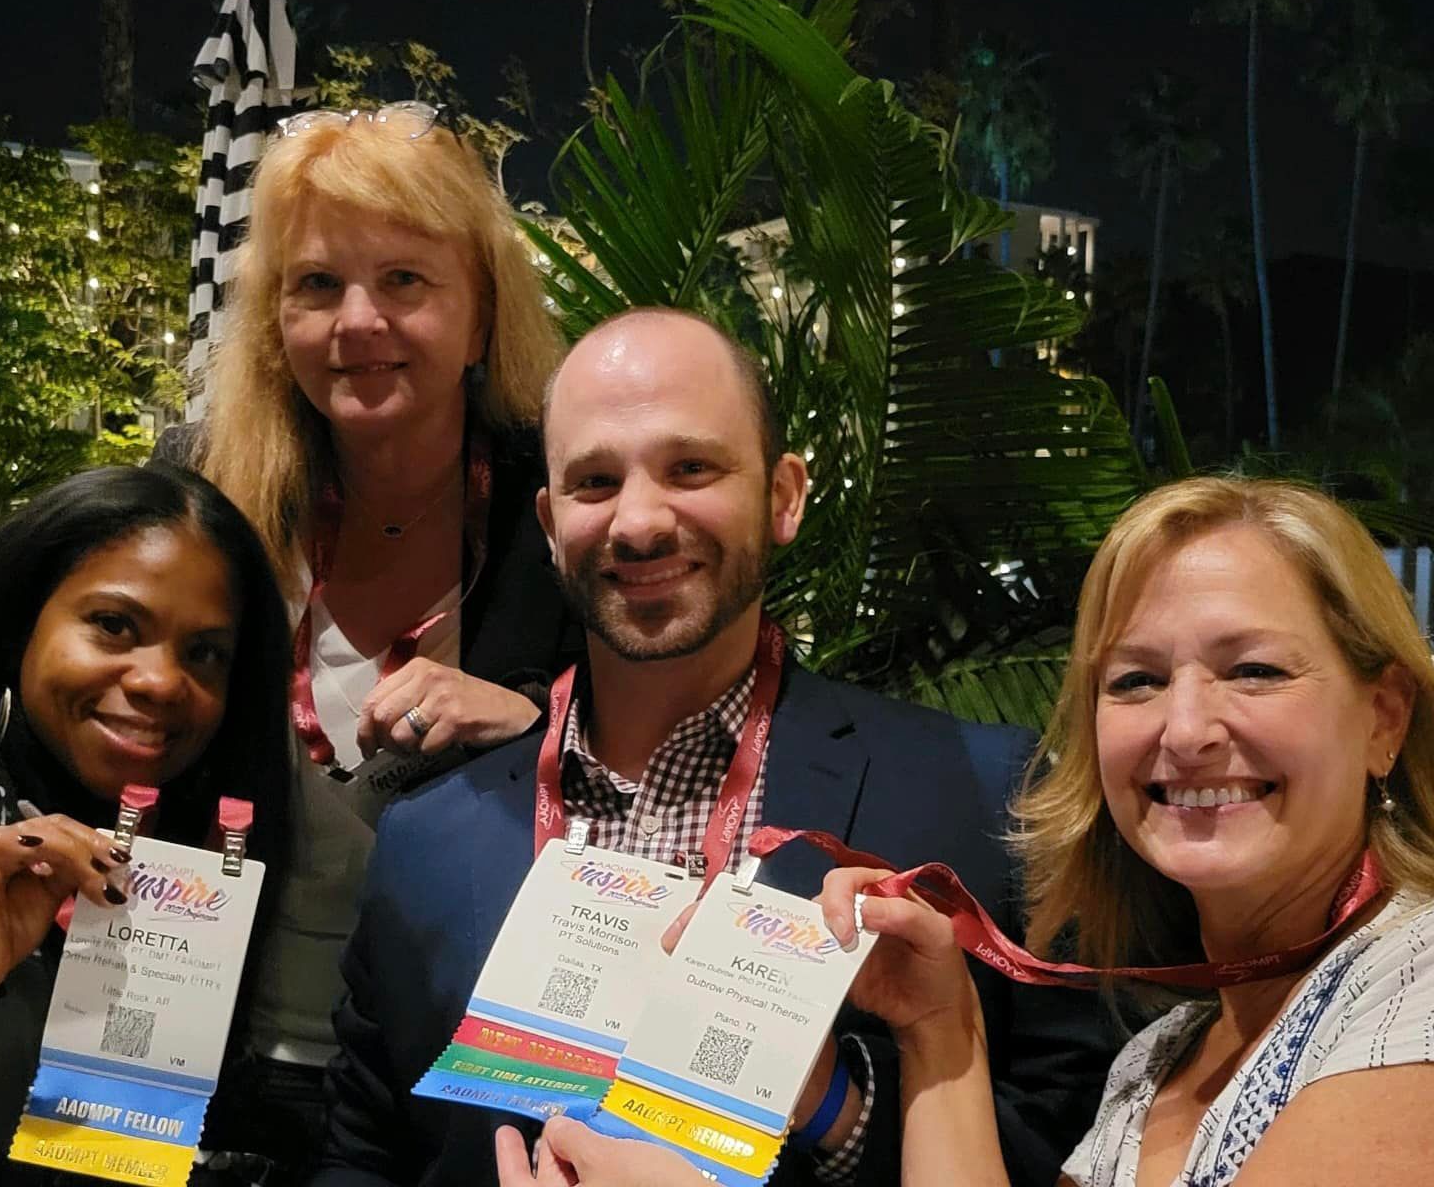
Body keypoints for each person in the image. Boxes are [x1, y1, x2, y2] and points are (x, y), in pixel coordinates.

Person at [316, 308, 1117, 1187]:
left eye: (690, 467)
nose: (640, 521)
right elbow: (364, 1156)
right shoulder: (426, 842)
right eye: (593, 482)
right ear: (548, 524)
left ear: (783, 497)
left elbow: (1080, 1150)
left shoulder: (975, 795)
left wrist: (839, 1112)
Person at [537, 476, 1434, 1187]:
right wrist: (940, 1025)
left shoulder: (1417, 985)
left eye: (1255, 670)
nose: (1186, 729)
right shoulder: (1157, 1060)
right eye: (1135, 681)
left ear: (1384, 717)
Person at [167, 103, 583, 1122]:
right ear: (276, 318)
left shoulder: (570, 511)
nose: (357, 322)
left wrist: (536, 721)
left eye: (403, 279)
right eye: (316, 285)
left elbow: (676, 752)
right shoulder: (200, 497)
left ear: (481, 314)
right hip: (190, 1050)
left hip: (462, 1077)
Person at [0, 464, 293, 1186]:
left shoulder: (219, 876)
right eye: (113, 625)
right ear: (21, 624)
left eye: (204, 653)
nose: (162, 681)